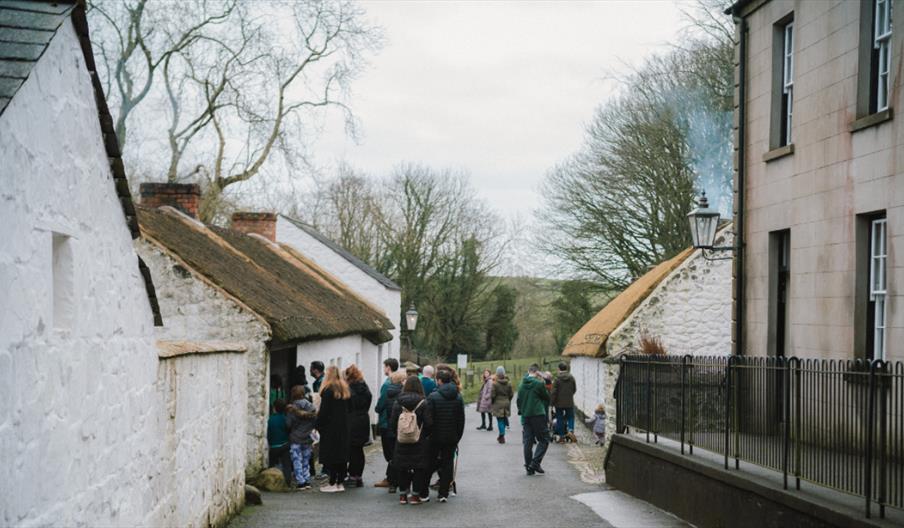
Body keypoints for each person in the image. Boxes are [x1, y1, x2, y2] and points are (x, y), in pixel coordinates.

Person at [390, 375, 432, 505]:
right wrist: (424, 435)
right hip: (418, 441)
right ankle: (415, 496)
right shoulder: (423, 403)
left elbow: (392, 423)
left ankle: (403, 495)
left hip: (401, 440)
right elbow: (429, 423)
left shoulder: (398, 402)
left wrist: (398, 434)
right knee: (419, 468)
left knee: (402, 467)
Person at [426, 369, 464, 502]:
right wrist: (457, 437)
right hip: (451, 437)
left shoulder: (433, 397)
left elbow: (429, 420)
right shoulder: (458, 397)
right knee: (447, 464)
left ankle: (423, 491)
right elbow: (461, 421)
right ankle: (443, 494)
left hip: (435, 437)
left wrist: (428, 434)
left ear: (439, 381)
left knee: (430, 463)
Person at [315, 366, 351, 492]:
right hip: (344, 427)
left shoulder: (328, 390)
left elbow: (324, 412)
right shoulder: (345, 389)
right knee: (341, 456)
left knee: (331, 456)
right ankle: (340, 482)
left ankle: (332, 483)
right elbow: (350, 409)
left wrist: (317, 425)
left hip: (330, 428)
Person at [517, 364, 550, 476]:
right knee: (544, 439)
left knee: (528, 441)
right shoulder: (539, 384)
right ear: (537, 372)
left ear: (528, 371)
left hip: (526, 415)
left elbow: (518, 401)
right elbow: (547, 397)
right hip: (538, 414)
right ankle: (535, 463)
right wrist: (547, 381)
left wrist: (522, 410)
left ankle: (528, 467)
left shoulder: (521, 384)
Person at [374, 358, 401, 490]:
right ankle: (391, 477)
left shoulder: (387, 384)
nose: (384, 369)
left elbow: (381, 403)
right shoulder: (400, 382)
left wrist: (377, 409)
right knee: (395, 451)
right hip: (397, 422)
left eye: (384, 366)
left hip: (386, 422)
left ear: (388, 367)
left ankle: (392, 479)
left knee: (389, 452)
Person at [344, 364, 372, 488]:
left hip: (352, 420)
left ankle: (352, 475)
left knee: (352, 449)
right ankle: (358, 476)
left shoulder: (349, 389)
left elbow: (347, 406)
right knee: (359, 449)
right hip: (364, 419)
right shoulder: (365, 388)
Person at [285, 386, 317, 490]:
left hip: (295, 437)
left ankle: (301, 481)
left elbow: (288, 424)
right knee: (306, 460)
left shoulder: (291, 408)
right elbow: (314, 421)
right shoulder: (311, 407)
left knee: (296, 459)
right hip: (307, 437)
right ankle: (307, 480)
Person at [267, 398, 292, 486]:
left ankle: (271, 481)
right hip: (284, 445)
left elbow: (269, 433)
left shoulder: (271, 419)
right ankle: (287, 481)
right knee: (287, 464)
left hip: (273, 446)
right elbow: (289, 430)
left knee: (272, 463)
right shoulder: (285, 418)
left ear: (274, 408)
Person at [551, 362, 578, 443]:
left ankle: (562, 437)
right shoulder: (572, 377)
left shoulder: (557, 379)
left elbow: (554, 392)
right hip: (569, 402)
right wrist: (570, 396)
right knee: (570, 416)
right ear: (566, 368)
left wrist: (551, 403)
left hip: (558, 403)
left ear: (559, 369)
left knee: (559, 418)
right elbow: (574, 389)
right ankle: (570, 430)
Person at [490, 366, 514, 444]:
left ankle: (502, 435)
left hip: (497, 403)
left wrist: (492, 402)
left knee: (500, 420)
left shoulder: (495, 384)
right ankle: (501, 435)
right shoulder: (509, 383)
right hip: (506, 402)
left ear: (497, 374)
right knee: (504, 419)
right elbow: (511, 394)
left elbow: (492, 395)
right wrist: (508, 400)